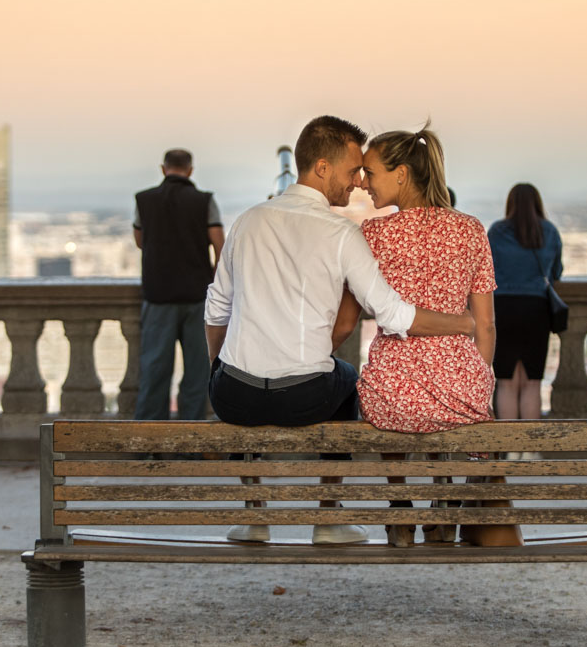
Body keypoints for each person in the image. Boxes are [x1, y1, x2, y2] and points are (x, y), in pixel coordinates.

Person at [204, 115, 475, 545]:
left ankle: (255, 517)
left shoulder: (247, 222)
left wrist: (218, 368)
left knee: (235, 368)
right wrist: (460, 323)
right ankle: (328, 518)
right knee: (350, 381)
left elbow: (216, 308)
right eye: (352, 172)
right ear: (322, 168)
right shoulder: (343, 233)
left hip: (234, 396)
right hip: (304, 397)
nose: (357, 184)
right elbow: (391, 315)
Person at [334, 125, 517, 547]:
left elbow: (350, 316)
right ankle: (441, 499)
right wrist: (476, 376)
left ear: (401, 175)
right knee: (441, 404)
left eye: (371, 173)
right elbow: (485, 324)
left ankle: (400, 510)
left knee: (395, 393)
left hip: (392, 390)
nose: (364, 183)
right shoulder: (470, 230)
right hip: (459, 387)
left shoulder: (374, 235)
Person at [133, 149, 224, 421]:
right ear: (190, 170)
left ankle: (148, 444)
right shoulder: (204, 201)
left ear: (163, 169)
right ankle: (190, 441)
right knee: (197, 373)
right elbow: (220, 244)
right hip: (197, 296)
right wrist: (215, 280)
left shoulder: (144, 200)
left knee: (154, 371)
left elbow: (140, 241)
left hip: (158, 295)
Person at [487, 184, 563, 427]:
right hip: (536, 309)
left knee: (506, 381)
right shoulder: (549, 231)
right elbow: (556, 272)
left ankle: (510, 447)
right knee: (532, 382)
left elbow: (486, 271)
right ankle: (530, 449)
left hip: (503, 309)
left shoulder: (497, 231)